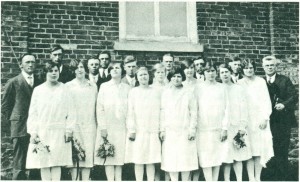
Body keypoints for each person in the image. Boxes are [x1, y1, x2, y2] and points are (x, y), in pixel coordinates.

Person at [26, 61, 73, 180]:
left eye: (56, 71)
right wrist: (33, 132)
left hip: (59, 131)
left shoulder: (64, 89)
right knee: (44, 162)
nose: (53, 73)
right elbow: (33, 113)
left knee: (57, 161)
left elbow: (71, 111)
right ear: (45, 73)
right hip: (43, 131)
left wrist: (69, 130)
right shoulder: (38, 90)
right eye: (50, 71)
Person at [1, 53, 42, 180]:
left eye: (33, 62)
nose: (30, 64)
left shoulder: (40, 82)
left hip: (36, 127)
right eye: (27, 62)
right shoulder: (13, 82)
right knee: (19, 162)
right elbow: (5, 106)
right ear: (21, 65)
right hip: (19, 127)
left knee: (37, 161)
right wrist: (14, 121)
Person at [261, 56, 297, 181]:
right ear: (263, 67)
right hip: (266, 121)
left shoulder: (284, 80)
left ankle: (282, 176)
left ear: (276, 66)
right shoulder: (260, 82)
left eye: (272, 65)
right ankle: (268, 175)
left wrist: (284, 104)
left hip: (282, 121)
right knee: (267, 147)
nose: (270, 67)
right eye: (267, 65)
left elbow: (294, 96)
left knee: (281, 148)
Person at [237, 59, 274, 181]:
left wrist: (265, 118)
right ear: (242, 70)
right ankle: (251, 178)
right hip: (246, 120)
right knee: (248, 151)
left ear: (254, 69)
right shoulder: (239, 83)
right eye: (246, 68)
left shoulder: (260, 82)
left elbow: (266, 101)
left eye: (251, 67)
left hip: (259, 120)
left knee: (258, 150)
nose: (249, 70)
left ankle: (257, 177)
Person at [94, 62, 131, 181]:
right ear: (109, 71)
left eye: (117, 68)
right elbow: (100, 108)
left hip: (121, 126)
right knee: (109, 155)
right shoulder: (104, 86)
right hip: (108, 126)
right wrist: (103, 127)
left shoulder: (127, 88)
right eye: (112, 68)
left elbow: (130, 108)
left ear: (121, 70)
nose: (115, 70)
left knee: (119, 155)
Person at [160, 66, 198, 181]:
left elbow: (194, 112)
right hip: (170, 132)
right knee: (171, 160)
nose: (176, 79)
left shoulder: (188, 93)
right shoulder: (166, 93)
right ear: (170, 78)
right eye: (173, 76)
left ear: (182, 78)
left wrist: (192, 129)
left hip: (185, 131)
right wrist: (162, 129)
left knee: (185, 160)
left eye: (179, 76)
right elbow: (162, 112)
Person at [125, 67, 161, 181]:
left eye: (145, 74)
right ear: (137, 78)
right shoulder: (133, 92)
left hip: (152, 130)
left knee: (151, 160)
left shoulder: (155, 91)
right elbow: (130, 111)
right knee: (139, 159)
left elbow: (160, 111)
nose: (143, 77)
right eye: (140, 75)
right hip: (138, 130)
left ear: (149, 76)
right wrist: (132, 130)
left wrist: (159, 129)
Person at [195, 61, 229, 181]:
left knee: (217, 157)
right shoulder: (198, 88)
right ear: (204, 73)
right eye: (208, 71)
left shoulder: (222, 87)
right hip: (203, 129)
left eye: (213, 71)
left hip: (218, 128)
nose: (210, 74)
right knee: (206, 157)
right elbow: (195, 109)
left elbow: (227, 109)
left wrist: (225, 128)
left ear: (216, 72)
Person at [219, 63, 252, 181]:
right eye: (222, 72)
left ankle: (239, 179)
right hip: (223, 127)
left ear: (230, 72)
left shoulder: (238, 89)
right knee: (226, 156)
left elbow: (244, 108)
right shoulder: (218, 88)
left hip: (237, 125)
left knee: (238, 156)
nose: (224, 74)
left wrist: (242, 126)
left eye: (226, 72)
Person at [66, 59, 97, 180]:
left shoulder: (93, 86)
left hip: (90, 126)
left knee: (88, 157)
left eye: (81, 67)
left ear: (85, 69)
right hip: (75, 126)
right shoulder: (68, 86)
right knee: (75, 156)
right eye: (76, 68)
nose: (79, 70)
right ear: (73, 71)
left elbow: (96, 107)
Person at [150, 63, 170, 181]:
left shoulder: (170, 87)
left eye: (162, 72)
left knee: (167, 154)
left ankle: (167, 178)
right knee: (156, 155)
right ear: (154, 74)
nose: (160, 74)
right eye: (158, 72)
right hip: (154, 123)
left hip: (168, 123)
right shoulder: (151, 88)